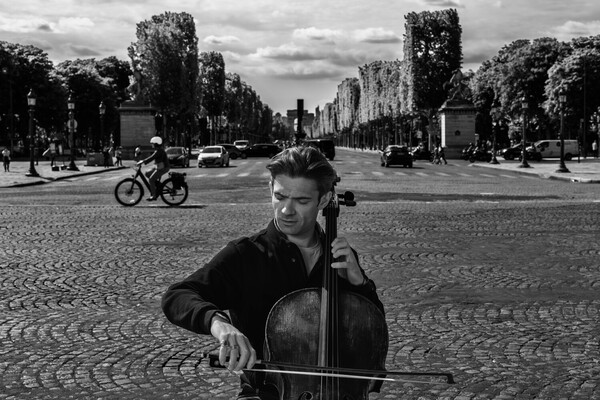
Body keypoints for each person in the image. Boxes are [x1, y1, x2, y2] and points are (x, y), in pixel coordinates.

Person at [161, 146, 384, 400]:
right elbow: (177, 295)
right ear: (270, 189)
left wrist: (361, 283)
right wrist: (220, 324)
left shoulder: (341, 258)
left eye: (301, 201)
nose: (287, 210)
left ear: (323, 200)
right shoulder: (246, 255)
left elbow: (372, 331)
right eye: (280, 197)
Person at [137, 136, 170, 201]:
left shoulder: (159, 151)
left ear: (156, 144)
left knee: (151, 180)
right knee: (147, 173)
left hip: (163, 168)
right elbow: (153, 157)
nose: (152, 145)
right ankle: (158, 186)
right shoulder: (158, 150)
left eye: (153, 143)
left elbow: (152, 157)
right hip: (159, 167)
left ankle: (154, 195)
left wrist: (143, 161)